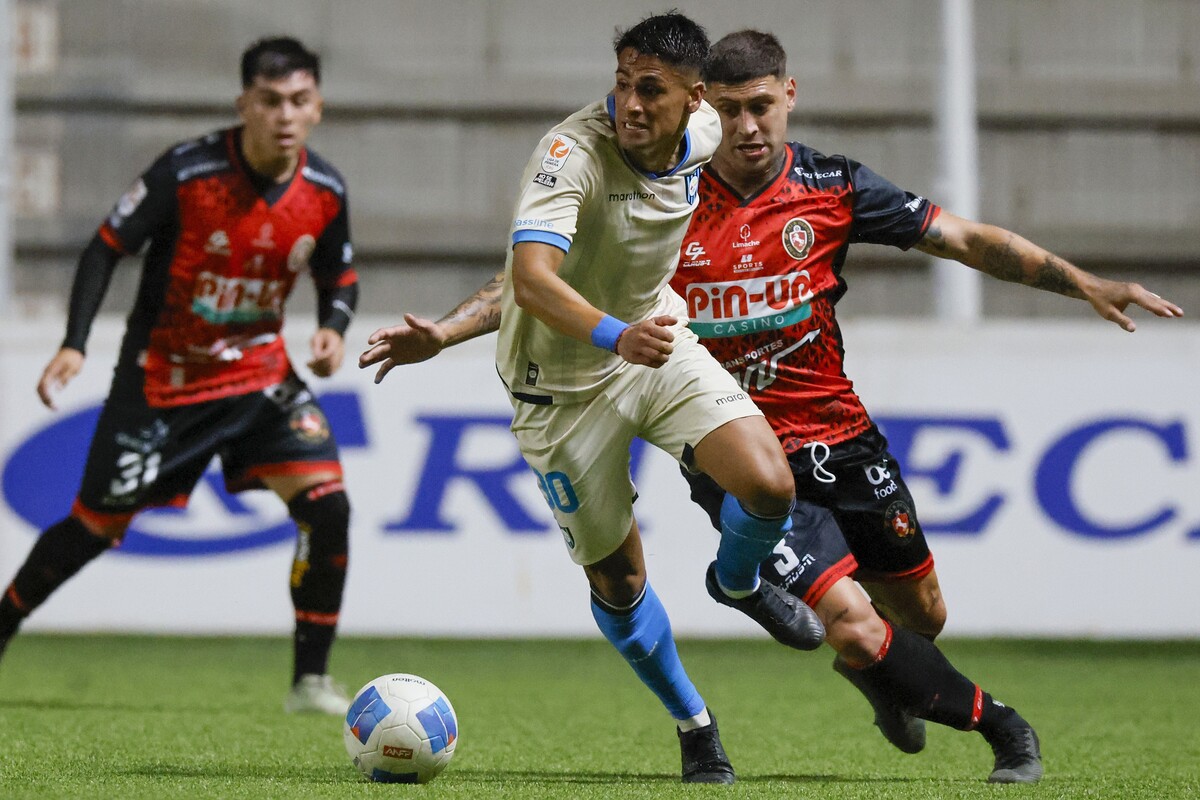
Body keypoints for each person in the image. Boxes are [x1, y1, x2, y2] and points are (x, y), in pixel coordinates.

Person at [375, 12, 826, 785]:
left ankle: (739, 580)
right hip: (561, 391)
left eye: (651, 89)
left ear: (694, 100)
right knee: (618, 582)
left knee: (771, 483)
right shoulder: (567, 155)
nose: (630, 104)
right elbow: (530, 281)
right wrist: (450, 335)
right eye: (622, 84)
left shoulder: (712, 132)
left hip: (652, 345)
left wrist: (632, 337)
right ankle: (695, 725)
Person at [0, 37, 360, 716]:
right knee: (92, 529)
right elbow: (105, 248)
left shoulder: (325, 189)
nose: (286, 115)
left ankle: (309, 681)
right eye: (271, 100)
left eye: (300, 101)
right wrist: (74, 343)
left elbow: (339, 272)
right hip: (163, 383)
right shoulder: (188, 173)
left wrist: (332, 329)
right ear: (244, 104)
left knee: (328, 506)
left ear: (318, 107)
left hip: (260, 378)